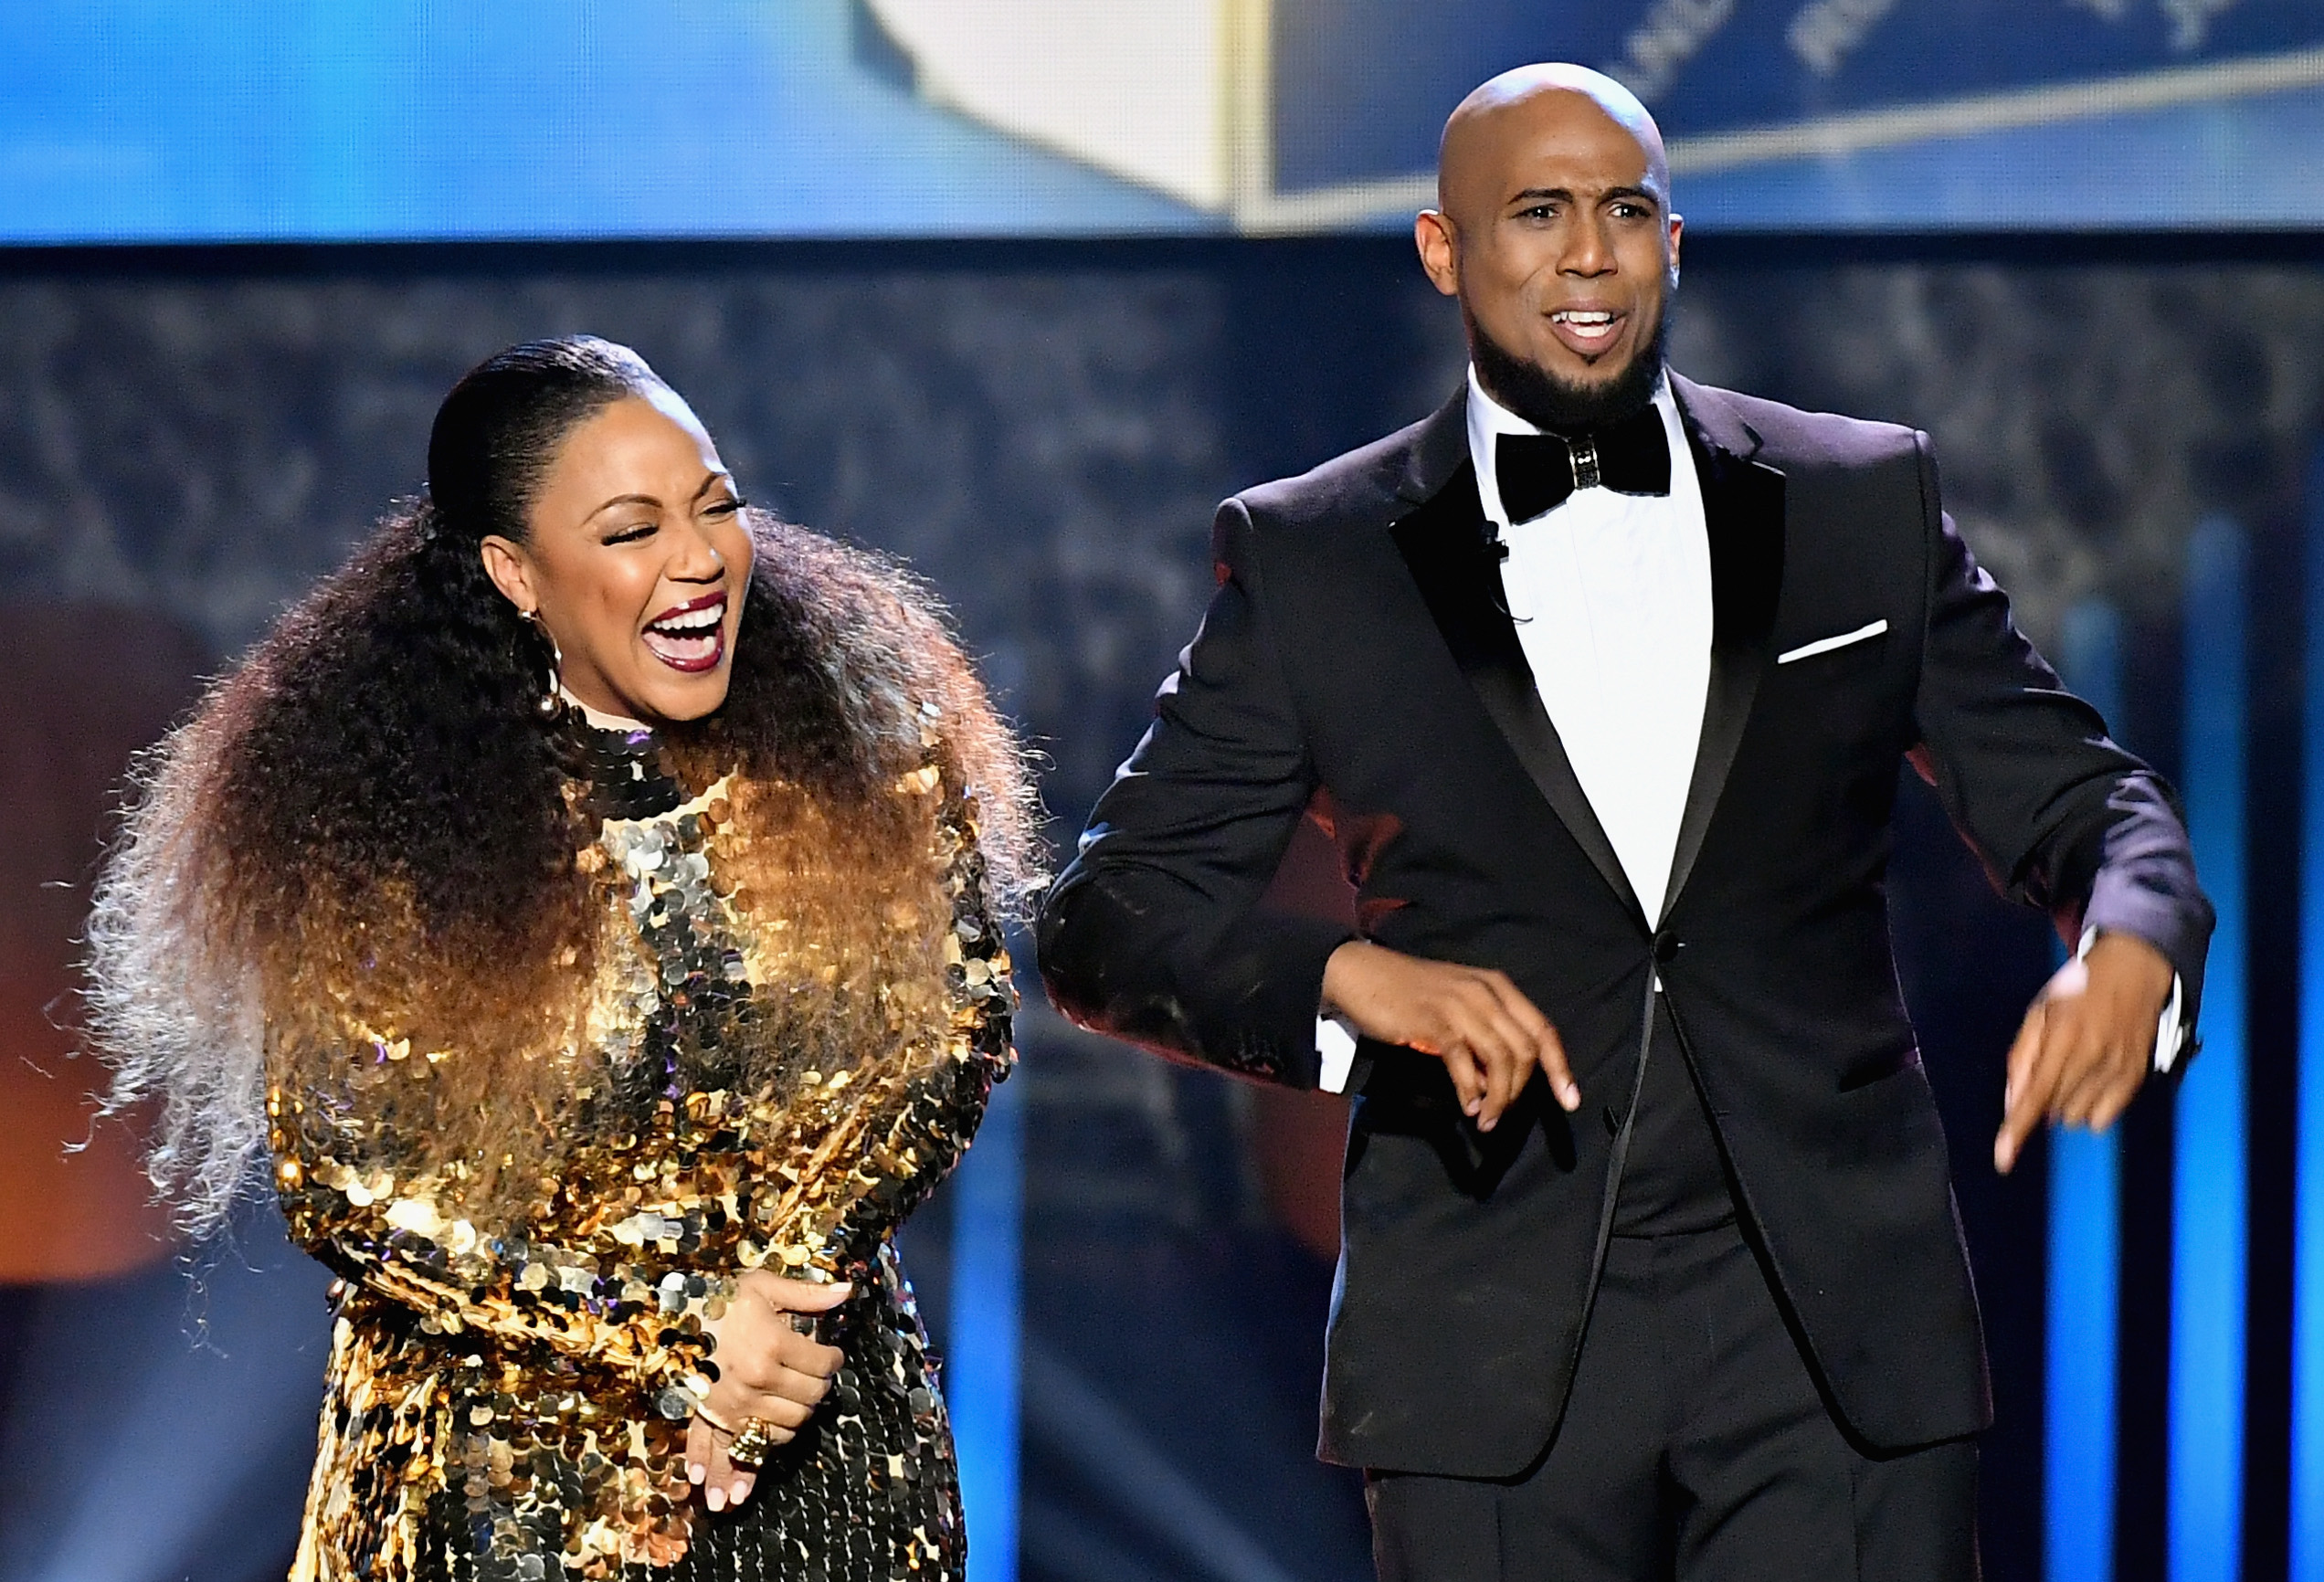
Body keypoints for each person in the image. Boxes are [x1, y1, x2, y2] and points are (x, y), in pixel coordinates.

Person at [1036, 66, 2210, 1580]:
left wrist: (2132, 939)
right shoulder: (1315, 558)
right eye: (1538, 213)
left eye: (1627, 211)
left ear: (1675, 241)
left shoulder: (1856, 500)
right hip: (1483, 1331)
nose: (1590, 253)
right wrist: (1345, 982)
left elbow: (2085, 796)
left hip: (1837, 1330)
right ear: (1444, 249)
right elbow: (1109, 921)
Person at [87, 336, 1032, 1581]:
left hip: (818, 1436)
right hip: (506, 1482)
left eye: (717, 507)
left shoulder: (864, 741)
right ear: (514, 573)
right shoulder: (387, 824)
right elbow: (347, 1180)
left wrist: (785, 1298)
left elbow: (956, 1028)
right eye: (633, 530)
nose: (699, 558)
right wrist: (684, 1332)